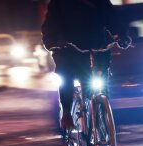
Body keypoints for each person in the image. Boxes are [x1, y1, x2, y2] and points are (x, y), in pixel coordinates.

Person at [41, 0, 131, 130]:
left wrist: (121, 36)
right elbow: (50, 27)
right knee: (66, 75)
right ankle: (66, 113)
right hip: (69, 49)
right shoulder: (59, 3)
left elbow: (113, 19)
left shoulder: (100, 2)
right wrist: (54, 42)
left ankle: (103, 115)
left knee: (102, 77)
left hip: (97, 47)